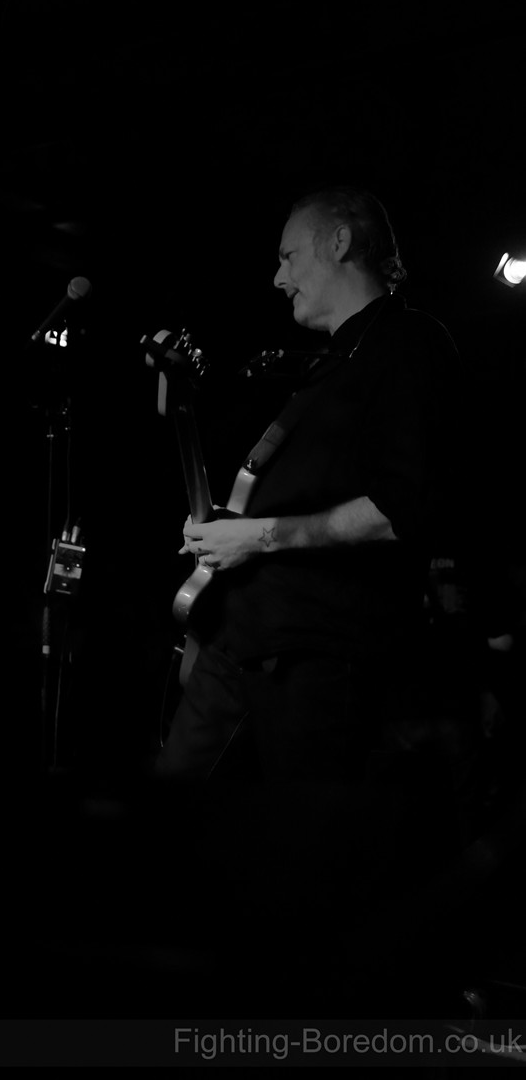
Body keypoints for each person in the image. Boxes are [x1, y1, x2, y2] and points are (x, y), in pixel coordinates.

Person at [151, 186, 467, 981]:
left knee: (311, 866)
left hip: (319, 655)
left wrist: (256, 536)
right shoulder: (324, 368)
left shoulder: (408, 344)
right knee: (170, 837)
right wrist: (222, 529)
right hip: (241, 638)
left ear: (337, 243)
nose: (276, 277)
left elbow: (401, 511)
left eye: (288, 255)